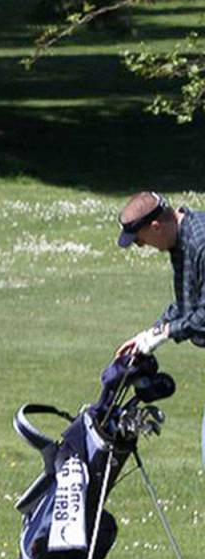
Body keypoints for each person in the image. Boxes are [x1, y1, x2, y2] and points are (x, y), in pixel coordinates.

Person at [114, 191, 205, 461]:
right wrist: (151, 332)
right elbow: (188, 305)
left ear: (156, 226)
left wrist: (164, 334)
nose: (141, 246)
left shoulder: (201, 243)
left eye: (140, 239)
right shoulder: (181, 241)